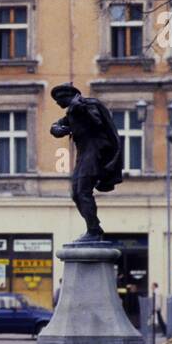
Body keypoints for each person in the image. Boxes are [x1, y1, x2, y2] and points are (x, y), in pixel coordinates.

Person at [48, 83, 124, 241]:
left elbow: (97, 123)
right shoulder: (72, 111)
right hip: (83, 155)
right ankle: (94, 228)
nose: (57, 103)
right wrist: (57, 129)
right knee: (76, 193)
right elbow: (57, 125)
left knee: (82, 192)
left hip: (94, 154)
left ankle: (94, 231)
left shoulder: (88, 105)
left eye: (58, 100)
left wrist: (81, 109)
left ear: (65, 97)